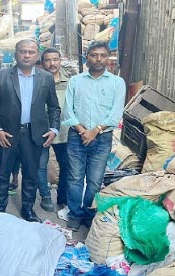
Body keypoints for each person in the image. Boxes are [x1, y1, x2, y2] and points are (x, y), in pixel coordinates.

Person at [0, 39, 60, 222]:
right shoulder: (1, 76)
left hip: (34, 134)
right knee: (2, 173)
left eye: (31, 52)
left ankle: (28, 209)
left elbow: (53, 107)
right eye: (23, 51)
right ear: (15, 53)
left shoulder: (46, 78)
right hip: (7, 135)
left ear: (37, 56)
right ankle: (0, 210)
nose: (27, 55)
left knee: (31, 174)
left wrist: (54, 129)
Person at [63, 41, 126, 231]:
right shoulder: (75, 81)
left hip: (102, 138)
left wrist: (95, 131)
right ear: (87, 57)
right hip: (77, 137)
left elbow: (115, 114)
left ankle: (89, 214)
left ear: (108, 58)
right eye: (94, 55)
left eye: (103, 55)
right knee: (74, 178)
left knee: (94, 180)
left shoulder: (117, 83)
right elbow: (68, 111)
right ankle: (75, 214)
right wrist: (84, 131)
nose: (98, 59)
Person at [38, 47, 70, 212]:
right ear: (42, 63)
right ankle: (45, 196)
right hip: (42, 131)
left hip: (64, 131)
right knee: (41, 166)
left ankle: (62, 198)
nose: (52, 64)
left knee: (66, 166)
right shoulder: (37, 81)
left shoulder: (70, 82)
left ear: (60, 61)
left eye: (55, 60)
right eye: (48, 60)